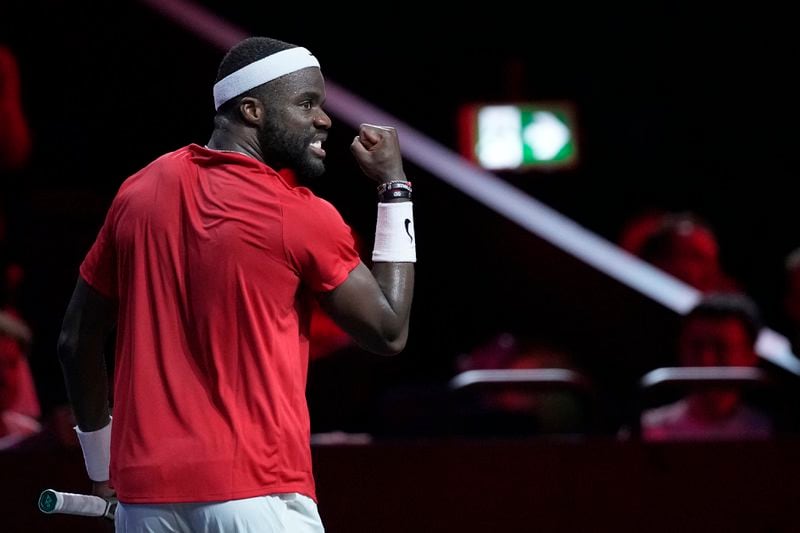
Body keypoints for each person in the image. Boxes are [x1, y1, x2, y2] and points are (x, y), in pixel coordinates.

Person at [57, 36, 415, 532]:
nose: (325, 119)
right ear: (251, 109)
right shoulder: (299, 213)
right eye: (306, 103)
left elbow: (76, 340)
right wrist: (394, 189)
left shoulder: (137, 194)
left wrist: (102, 468)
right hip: (257, 495)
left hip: (145, 503)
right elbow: (389, 330)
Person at [640, 292, 774, 441]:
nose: (706, 359)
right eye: (696, 346)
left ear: (750, 355)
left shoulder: (769, 432)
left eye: (721, 347)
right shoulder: (649, 430)